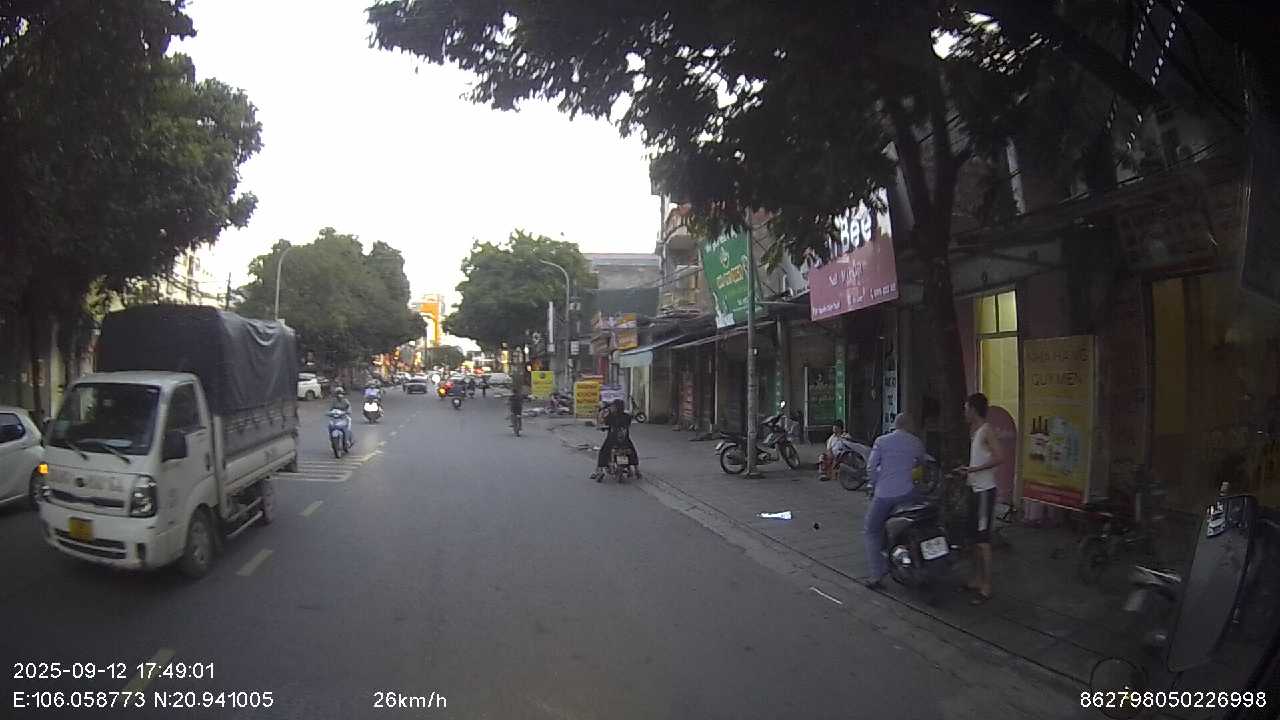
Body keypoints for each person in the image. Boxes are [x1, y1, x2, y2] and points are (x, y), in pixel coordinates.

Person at [862, 413, 927, 589]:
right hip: (907, 493)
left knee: (871, 530)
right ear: (909, 425)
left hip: (883, 494)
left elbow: (871, 467)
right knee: (911, 526)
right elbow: (921, 463)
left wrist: (874, 484)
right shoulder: (915, 442)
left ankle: (876, 574)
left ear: (895, 424)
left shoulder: (882, 441)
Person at [957, 392, 1004, 605]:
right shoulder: (973, 431)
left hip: (985, 491)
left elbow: (1000, 457)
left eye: (966, 409)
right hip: (973, 489)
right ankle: (976, 579)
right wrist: (967, 471)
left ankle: (987, 585)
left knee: (983, 540)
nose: (964, 413)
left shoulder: (986, 430)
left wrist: (975, 469)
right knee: (974, 539)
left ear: (974, 410)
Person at [593, 398, 640, 479]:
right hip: (625, 440)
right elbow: (629, 422)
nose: (611, 408)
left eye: (613, 406)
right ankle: (637, 469)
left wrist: (602, 414)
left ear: (615, 407)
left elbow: (603, 422)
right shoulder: (627, 416)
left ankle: (599, 470)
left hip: (612, 440)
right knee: (632, 452)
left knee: (603, 452)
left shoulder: (611, 416)